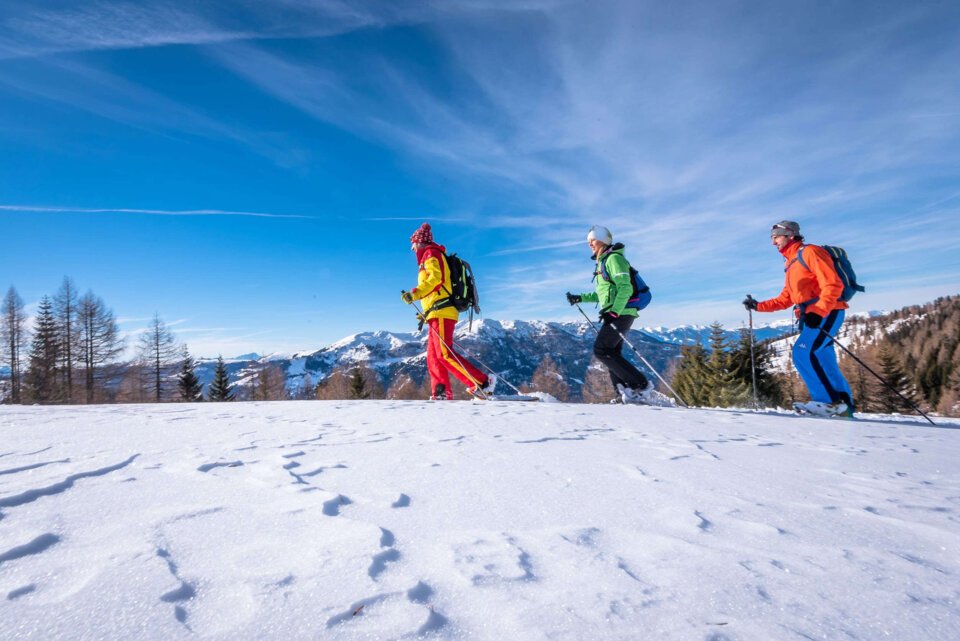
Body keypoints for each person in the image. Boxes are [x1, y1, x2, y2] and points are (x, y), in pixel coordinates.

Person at [743, 220, 854, 417]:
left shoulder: (810, 252)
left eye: (776, 236)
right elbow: (787, 298)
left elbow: (832, 285)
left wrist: (818, 311)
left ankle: (827, 402)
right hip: (813, 314)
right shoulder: (791, 262)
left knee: (803, 353)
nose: (773, 242)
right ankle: (844, 406)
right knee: (822, 357)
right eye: (772, 238)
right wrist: (758, 306)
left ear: (790, 235)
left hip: (826, 311)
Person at [402, 223, 496, 400]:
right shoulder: (428, 257)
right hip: (436, 312)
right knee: (433, 357)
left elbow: (436, 280)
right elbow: (436, 287)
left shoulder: (431, 254)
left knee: (444, 354)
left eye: (413, 243)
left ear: (420, 242)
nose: (412, 247)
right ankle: (441, 393)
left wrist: (414, 294)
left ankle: (483, 383)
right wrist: (426, 310)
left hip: (443, 312)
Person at [566, 225, 655, 404]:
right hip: (615, 312)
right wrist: (580, 298)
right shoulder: (603, 263)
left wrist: (614, 311)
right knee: (612, 352)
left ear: (604, 240)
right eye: (588, 241)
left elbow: (625, 287)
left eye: (593, 239)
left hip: (621, 312)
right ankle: (624, 392)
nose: (589, 243)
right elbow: (603, 294)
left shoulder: (614, 259)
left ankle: (640, 384)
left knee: (602, 350)